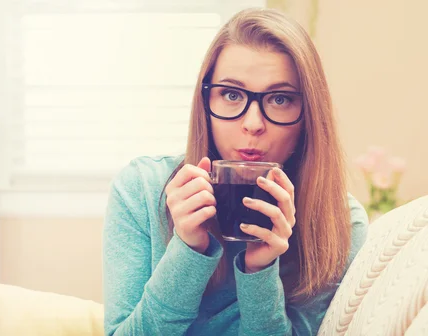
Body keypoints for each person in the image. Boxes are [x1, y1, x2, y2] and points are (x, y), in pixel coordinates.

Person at [102, 7, 369, 336]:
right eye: (231, 94)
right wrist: (187, 251)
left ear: (308, 114)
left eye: (280, 99)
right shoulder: (141, 190)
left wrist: (260, 269)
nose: (253, 124)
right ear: (205, 104)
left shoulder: (338, 221)